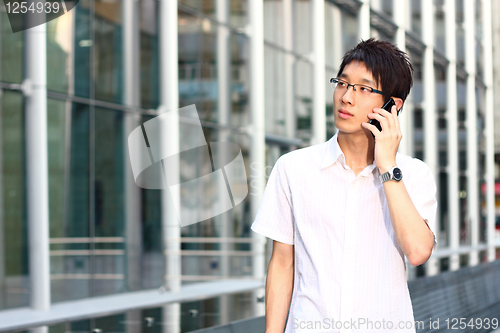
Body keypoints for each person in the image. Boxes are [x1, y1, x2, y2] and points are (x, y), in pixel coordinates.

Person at [251, 38, 437, 333]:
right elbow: (282, 264)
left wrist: (388, 166)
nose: (346, 97)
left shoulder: (414, 174)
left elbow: (417, 252)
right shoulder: (294, 168)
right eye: (342, 83)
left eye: (364, 89)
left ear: (393, 105)